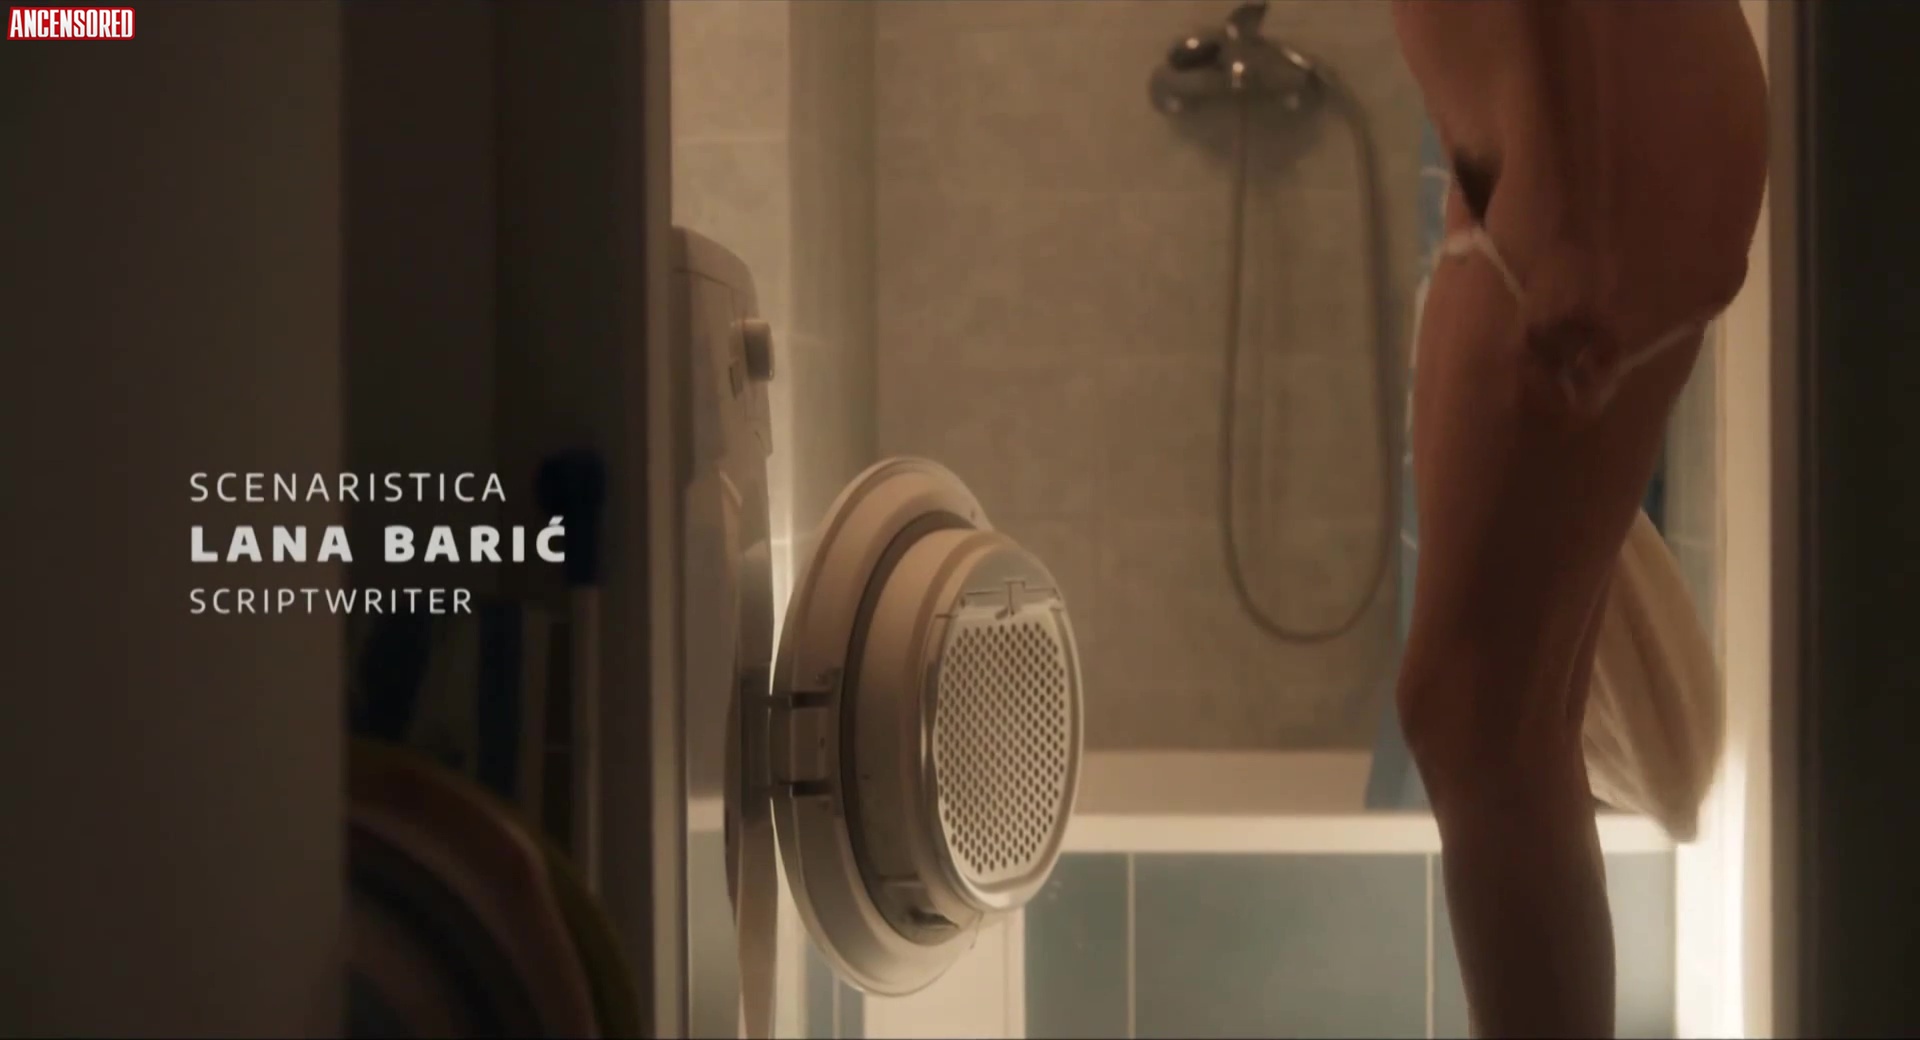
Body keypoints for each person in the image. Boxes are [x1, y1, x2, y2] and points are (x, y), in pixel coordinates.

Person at [1389, 2, 1768, 1036]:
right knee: (1499, 727)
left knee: (1479, 723)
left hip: (1590, 152)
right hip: (1550, 144)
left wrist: (1569, 201)